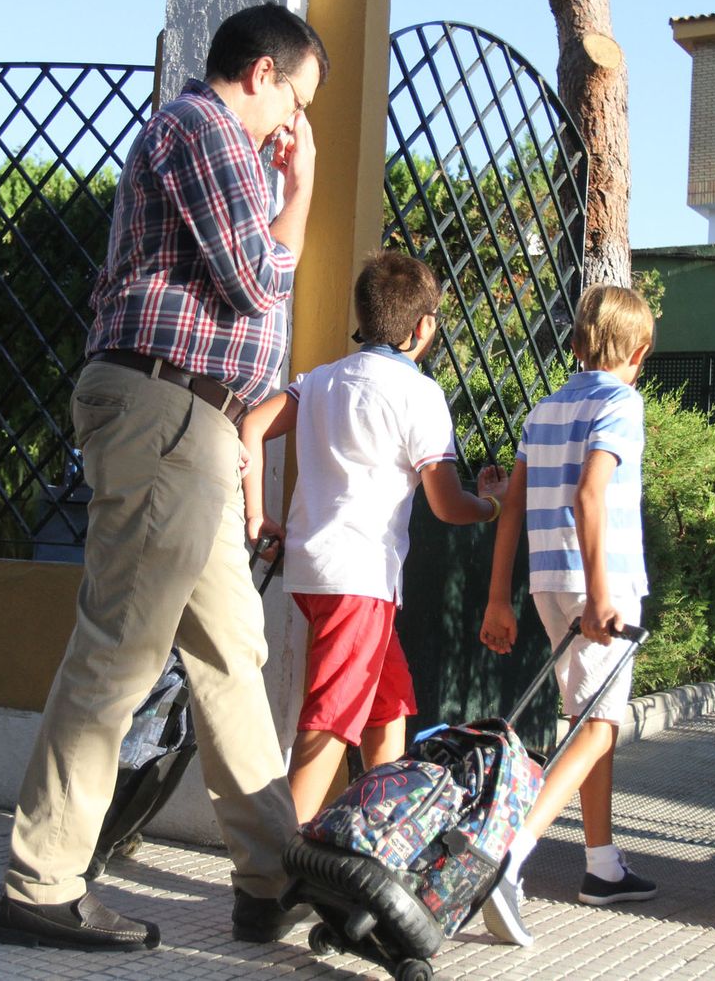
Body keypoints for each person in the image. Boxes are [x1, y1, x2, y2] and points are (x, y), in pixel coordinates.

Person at [0, 3, 328, 953]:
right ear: (262, 74)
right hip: (165, 408)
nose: (294, 124)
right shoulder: (202, 126)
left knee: (230, 652)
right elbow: (256, 281)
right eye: (297, 101)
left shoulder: (215, 143)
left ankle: (271, 877)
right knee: (123, 647)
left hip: (194, 423)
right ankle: (41, 883)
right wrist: (299, 187)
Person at [239, 251, 507, 823]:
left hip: (313, 573)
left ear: (362, 315)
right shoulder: (419, 394)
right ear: (424, 326)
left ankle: (383, 831)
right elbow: (447, 504)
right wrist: (493, 506)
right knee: (332, 719)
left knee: (388, 705)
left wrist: (256, 516)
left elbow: (252, 426)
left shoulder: (321, 381)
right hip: (361, 578)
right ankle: (275, 859)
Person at [476, 284, 659, 947]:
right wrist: (604, 590)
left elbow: (512, 509)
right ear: (639, 350)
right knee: (600, 726)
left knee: (589, 719)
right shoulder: (622, 403)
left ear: (577, 343)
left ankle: (602, 866)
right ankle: (508, 855)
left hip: (548, 582)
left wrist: (499, 597)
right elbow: (590, 495)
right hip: (598, 584)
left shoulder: (545, 409)